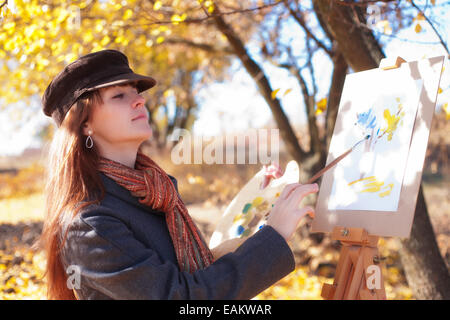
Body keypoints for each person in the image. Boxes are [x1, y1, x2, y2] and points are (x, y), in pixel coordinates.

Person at [39, 49, 319, 300]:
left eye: (136, 92)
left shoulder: (156, 193)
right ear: (84, 123)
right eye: (119, 95)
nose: (139, 101)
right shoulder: (88, 223)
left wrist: (255, 207)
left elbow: (204, 270)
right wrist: (274, 235)